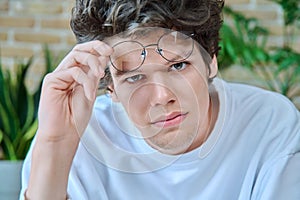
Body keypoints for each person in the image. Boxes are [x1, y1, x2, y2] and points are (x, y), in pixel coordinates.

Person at [20, 0, 300, 199]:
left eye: (178, 66)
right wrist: (55, 145)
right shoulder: (76, 133)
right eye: (134, 77)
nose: (162, 97)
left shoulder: (269, 125)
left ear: (211, 59)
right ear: (112, 88)